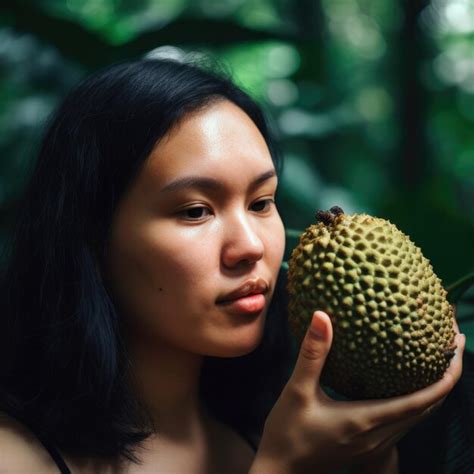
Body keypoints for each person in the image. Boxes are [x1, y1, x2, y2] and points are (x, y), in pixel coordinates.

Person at [0, 56, 466, 474]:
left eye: (262, 202)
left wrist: (373, 456)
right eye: (195, 211)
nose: (250, 247)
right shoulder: (15, 457)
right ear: (91, 238)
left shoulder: (282, 428)